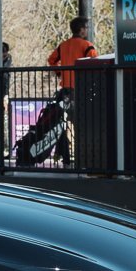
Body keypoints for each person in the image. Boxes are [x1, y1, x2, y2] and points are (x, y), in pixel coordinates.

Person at [47, 17, 97, 166]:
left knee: (60, 124)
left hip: (65, 91)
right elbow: (94, 64)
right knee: (82, 125)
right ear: (81, 29)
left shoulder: (63, 45)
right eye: (86, 28)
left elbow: (51, 60)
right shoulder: (87, 46)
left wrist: (60, 73)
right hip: (80, 91)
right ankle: (82, 160)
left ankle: (65, 159)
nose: (87, 30)